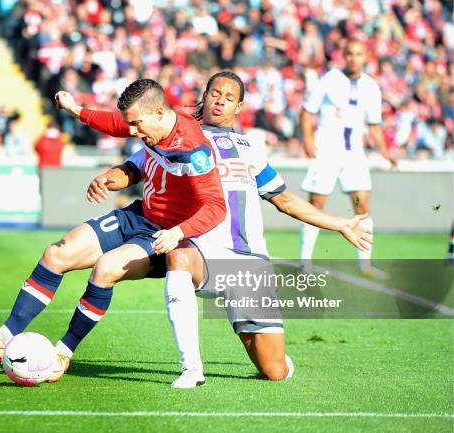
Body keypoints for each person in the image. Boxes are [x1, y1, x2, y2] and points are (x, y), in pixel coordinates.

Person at [70, 71, 373, 387]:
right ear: (205, 94)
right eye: (215, 93)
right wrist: (106, 169)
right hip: (202, 252)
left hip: (250, 263)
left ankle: (266, 346)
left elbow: (284, 200)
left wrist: (340, 224)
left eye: (229, 98)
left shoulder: (250, 148)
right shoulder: (174, 134)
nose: (220, 102)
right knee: (179, 255)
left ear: (239, 107)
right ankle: (191, 370)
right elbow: (132, 154)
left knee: (273, 370)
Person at [0, 79, 226, 383]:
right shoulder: (149, 123)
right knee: (58, 253)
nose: (132, 131)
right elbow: (115, 124)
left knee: (105, 268)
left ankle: (63, 353)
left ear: (159, 112)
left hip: (167, 235)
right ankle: (4, 335)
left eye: (136, 124)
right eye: (131, 123)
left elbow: (217, 206)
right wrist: (75, 109)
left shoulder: (193, 149)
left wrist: (178, 232)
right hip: (139, 215)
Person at [299, 39, 397, 277]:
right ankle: (305, 262)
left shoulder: (371, 87)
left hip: (354, 152)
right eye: (350, 54)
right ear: (344, 56)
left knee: (361, 205)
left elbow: (374, 125)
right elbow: (307, 110)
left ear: (366, 57)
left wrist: (386, 152)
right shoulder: (330, 79)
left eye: (359, 54)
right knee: (316, 204)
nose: (354, 58)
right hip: (327, 150)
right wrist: (308, 140)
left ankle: (365, 265)